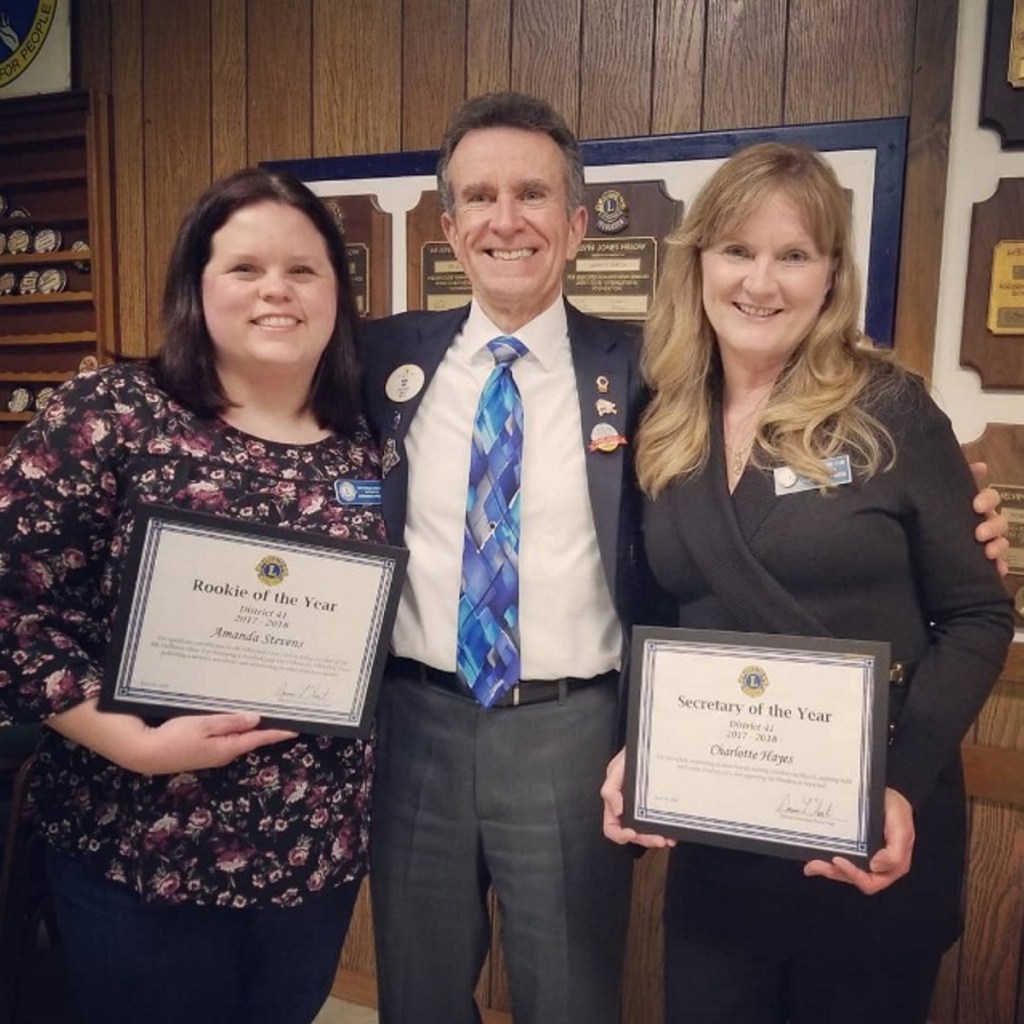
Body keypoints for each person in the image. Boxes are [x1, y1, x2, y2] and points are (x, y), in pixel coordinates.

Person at [600, 142, 1015, 1024]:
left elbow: (979, 614)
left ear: (832, 277)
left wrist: (896, 784)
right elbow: (655, 617)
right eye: (737, 250)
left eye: (794, 255)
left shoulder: (891, 409)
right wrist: (642, 750)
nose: (762, 281)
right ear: (699, 262)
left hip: (872, 836)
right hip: (724, 841)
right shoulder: (663, 419)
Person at [0, 168, 385, 1024]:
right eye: (244, 268)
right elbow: (10, 611)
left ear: (336, 290)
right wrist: (130, 744)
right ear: (196, 285)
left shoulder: (369, 443)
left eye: (303, 269)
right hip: (138, 846)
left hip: (311, 858)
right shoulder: (113, 412)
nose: (275, 291)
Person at [360, 92, 642, 1024]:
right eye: (480, 197)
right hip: (415, 727)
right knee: (418, 993)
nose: (505, 220)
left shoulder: (648, 370)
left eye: (532, 194)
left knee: (568, 996)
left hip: (571, 731)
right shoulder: (381, 360)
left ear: (577, 223)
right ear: (449, 226)